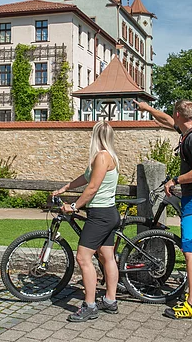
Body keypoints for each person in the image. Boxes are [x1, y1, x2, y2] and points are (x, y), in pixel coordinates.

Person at [134, 99, 192, 319]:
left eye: (173, 112)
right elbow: (167, 120)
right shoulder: (189, 131)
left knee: (189, 251)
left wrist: (174, 180)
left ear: (179, 113)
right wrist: (148, 109)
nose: (172, 116)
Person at [52, 121, 120, 322]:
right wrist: (66, 187)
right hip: (109, 213)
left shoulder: (101, 156)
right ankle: (110, 300)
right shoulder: (110, 156)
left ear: (95, 136)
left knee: (83, 258)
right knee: (107, 256)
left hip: (100, 215)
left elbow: (92, 188)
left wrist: (74, 207)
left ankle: (89, 305)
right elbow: (87, 177)